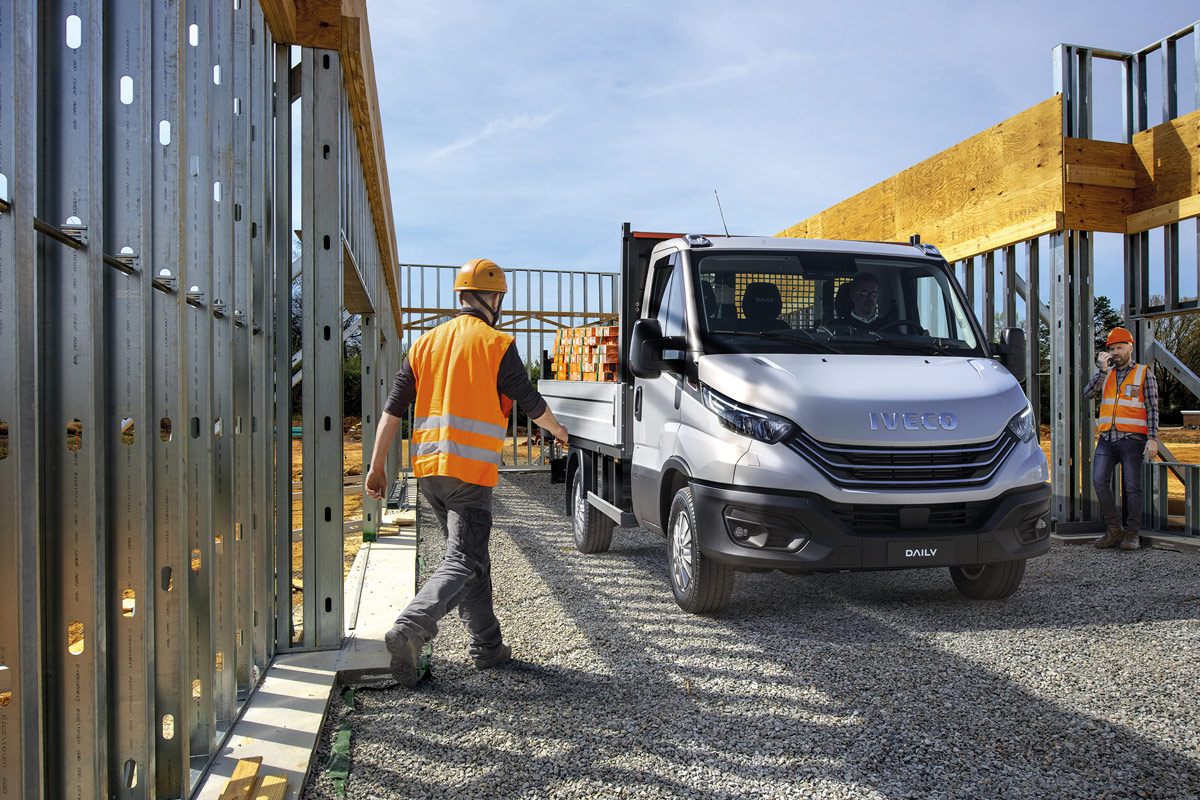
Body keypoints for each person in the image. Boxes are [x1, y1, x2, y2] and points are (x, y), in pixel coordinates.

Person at [365, 258, 569, 686]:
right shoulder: (496, 344)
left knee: (472, 558)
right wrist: (559, 431)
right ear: (492, 298)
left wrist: (376, 465)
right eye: (500, 298)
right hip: (469, 475)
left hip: (429, 474)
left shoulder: (424, 345)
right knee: (465, 557)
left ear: (460, 296)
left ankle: (487, 648)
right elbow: (531, 403)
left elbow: (391, 411)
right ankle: (411, 628)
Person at [1085, 326, 1159, 551]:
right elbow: (1089, 393)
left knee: (1132, 487)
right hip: (1107, 438)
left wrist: (1153, 438)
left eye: (1119, 347)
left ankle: (1132, 534)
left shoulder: (1144, 373)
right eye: (1112, 348)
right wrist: (1102, 370)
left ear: (1130, 347)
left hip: (1132, 439)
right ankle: (1114, 530)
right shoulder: (1106, 373)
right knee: (1099, 481)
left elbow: (1152, 407)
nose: (1115, 352)